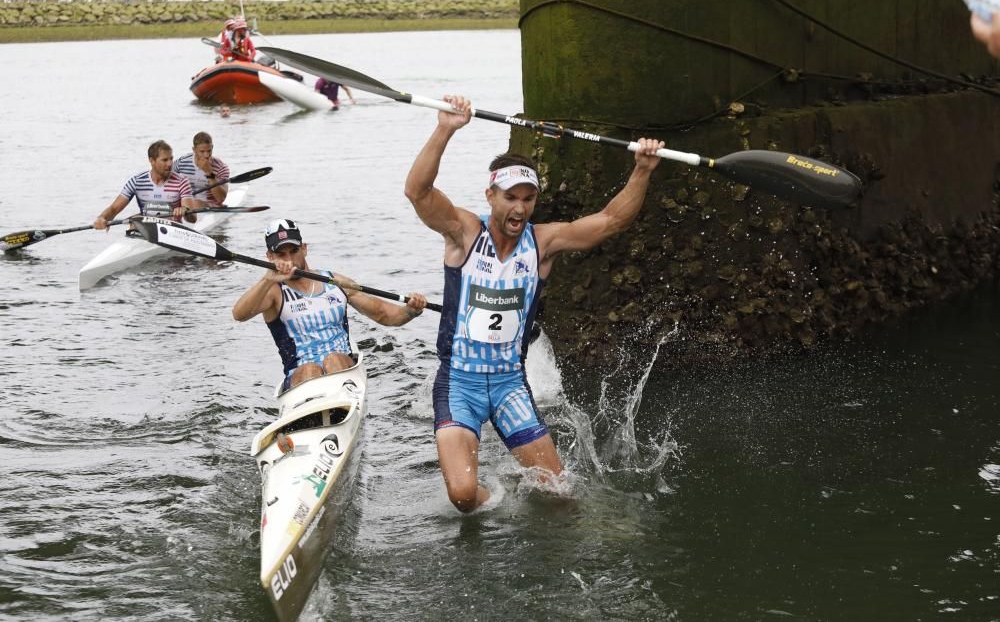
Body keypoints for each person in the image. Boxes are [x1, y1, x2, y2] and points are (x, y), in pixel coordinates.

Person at [404, 94, 665, 513]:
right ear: (491, 194)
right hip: (460, 383)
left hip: (509, 384)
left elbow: (612, 221)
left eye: (528, 198)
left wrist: (642, 170)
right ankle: (498, 503)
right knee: (463, 497)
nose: (520, 208)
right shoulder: (464, 233)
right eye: (510, 197)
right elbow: (417, 192)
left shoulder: (543, 244)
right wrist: (446, 128)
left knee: (560, 496)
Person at [232, 219, 429, 391]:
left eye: (294, 251)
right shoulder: (273, 292)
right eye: (281, 254)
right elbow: (239, 314)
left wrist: (411, 310)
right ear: (270, 257)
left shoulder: (336, 283)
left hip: (342, 368)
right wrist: (267, 280)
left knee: (332, 360)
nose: (289, 259)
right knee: (311, 369)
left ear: (305, 248)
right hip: (301, 377)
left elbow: (385, 315)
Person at [93, 140, 198, 230]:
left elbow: (193, 219)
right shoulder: (137, 181)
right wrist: (102, 218)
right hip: (147, 230)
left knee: (135, 219)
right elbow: (114, 209)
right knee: (134, 221)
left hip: (173, 232)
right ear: (152, 160)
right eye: (165, 160)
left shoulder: (182, 181)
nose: (170, 164)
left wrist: (185, 211)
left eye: (171, 158)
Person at [172, 131, 230, 208]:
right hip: (185, 202)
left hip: (208, 206)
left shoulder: (221, 168)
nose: (206, 155)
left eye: (209, 151)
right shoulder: (181, 162)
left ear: (212, 147)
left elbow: (221, 198)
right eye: (202, 152)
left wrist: (209, 173)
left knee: (196, 203)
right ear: (194, 149)